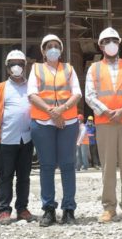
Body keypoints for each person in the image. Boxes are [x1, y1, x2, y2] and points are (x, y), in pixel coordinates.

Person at [86, 27, 122, 223]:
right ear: (101, 46)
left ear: (119, 43)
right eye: (106, 41)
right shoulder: (94, 68)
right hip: (105, 121)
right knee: (108, 166)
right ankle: (109, 207)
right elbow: (90, 96)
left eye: (114, 40)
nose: (111, 44)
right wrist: (108, 112)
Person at [28, 34, 82, 227]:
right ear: (43, 51)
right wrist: (53, 112)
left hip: (67, 121)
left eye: (56, 46)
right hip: (43, 122)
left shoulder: (69, 69)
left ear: (61, 49)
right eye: (49, 46)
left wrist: (62, 110)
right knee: (47, 166)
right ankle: (49, 209)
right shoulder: (36, 69)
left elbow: (77, 92)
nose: (53, 49)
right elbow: (32, 94)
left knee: (68, 165)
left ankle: (69, 209)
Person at [0, 50, 36, 225]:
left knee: (24, 176)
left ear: (25, 66)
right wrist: (1, 130)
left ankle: (22, 208)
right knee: (6, 176)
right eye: (13, 64)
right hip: (7, 139)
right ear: (7, 68)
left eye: (20, 63)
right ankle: (4, 210)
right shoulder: (0, 88)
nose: (17, 67)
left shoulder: (31, 86)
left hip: (27, 138)